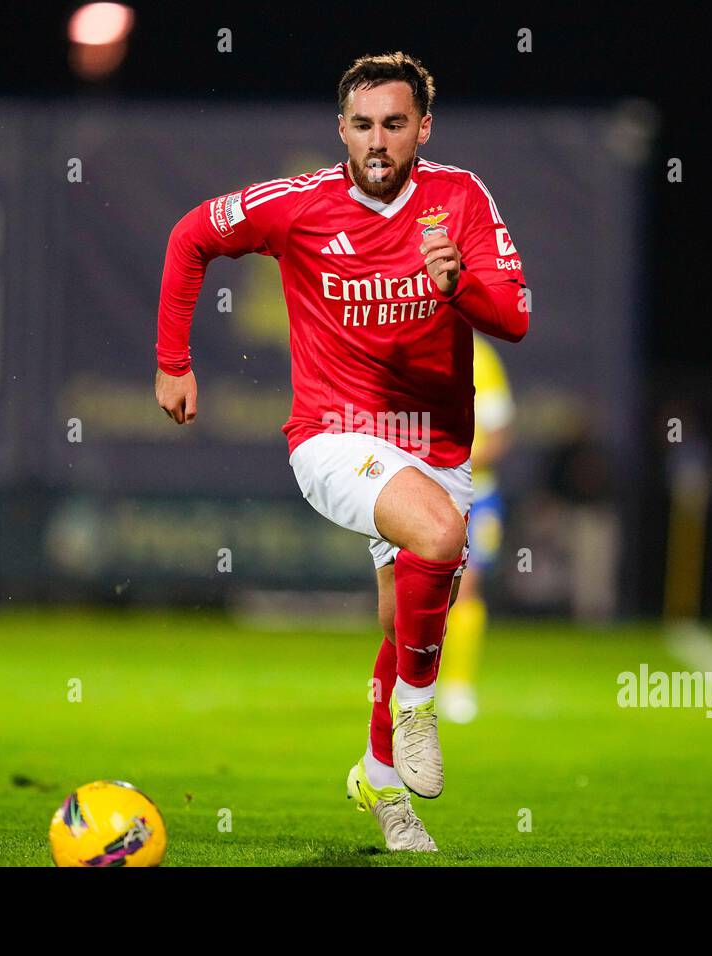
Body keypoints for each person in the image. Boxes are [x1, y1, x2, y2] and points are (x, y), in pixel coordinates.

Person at [154, 52, 529, 851]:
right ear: (341, 131)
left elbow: (513, 316)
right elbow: (192, 236)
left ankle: (379, 782)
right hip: (334, 436)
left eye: (395, 123)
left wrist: (458, 282)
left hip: (437, 447)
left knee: (405, 624)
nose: (378, 141)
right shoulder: (301, 205)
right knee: (439, 535)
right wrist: (174, 360)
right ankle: (419, 714)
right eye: (362, 125)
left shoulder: (458, 198)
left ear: (423, 128)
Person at [440, 332, 515, 724]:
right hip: (421, 491)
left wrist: (452, 462)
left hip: (474, 494)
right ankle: (411, 683)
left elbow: (499, 437)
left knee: (464, 588)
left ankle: (458, 685)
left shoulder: (480, 357)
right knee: (413, 589)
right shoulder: (410, 344)